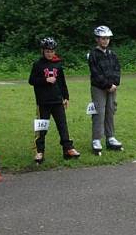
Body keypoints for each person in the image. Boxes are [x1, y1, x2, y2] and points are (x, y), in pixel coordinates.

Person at [29, 37, 80, 163]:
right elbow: (31, 81)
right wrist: (44, 80)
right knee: (42, 128)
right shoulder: (37, 65)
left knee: (62, 125)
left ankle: (68, 148)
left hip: (57, 101)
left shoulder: (58, 64)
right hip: (43, 102)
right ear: (43, 51)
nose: (50, 53)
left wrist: (66, 97)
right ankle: (39, 151)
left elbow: (62, 82)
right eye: (47, 51)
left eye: (51, 51)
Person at [88, 25, 123, 154]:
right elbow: (96, 73)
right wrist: (107, 85)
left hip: (112, 88)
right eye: (103, 38)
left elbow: (117, 69)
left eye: (107, 38)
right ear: (97, 39)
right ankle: (96, 139)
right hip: (99, 88)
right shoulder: (93, 55)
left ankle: (111, 137)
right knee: (99, 112)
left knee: (110, 111)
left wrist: (114, 84)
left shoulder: (112, 54)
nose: (105, 41)